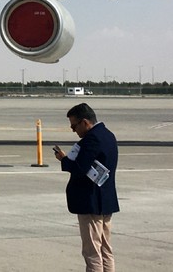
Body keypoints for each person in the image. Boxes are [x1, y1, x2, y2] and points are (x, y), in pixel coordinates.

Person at [53, 102, 118, 271]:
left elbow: (80, 168)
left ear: (85, 122)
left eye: (74, 126)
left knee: (92, 252)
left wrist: (64, 159)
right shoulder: (108, 135)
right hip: (105, 200)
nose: (74, 130)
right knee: (105, 249)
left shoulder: (92, 139)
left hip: (91, 202)